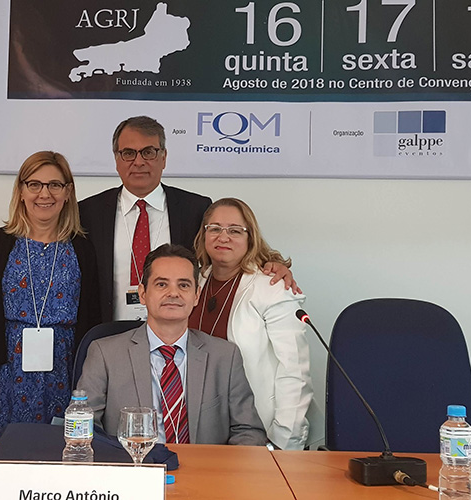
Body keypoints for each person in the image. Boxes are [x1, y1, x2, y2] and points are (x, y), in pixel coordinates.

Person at [79, 115, 298, 323]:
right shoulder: (88, 212)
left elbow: (227, 253)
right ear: (116, 159)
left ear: (164, 157)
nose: (138, 161)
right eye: (128, 153)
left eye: (148, 152)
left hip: (178, 333)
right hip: (107, 334)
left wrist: (268, 265)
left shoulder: (195, 208)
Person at [0, 151, 101, 439]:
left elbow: (94, 323)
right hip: (2, 380)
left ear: (68, 193)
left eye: (54, 185)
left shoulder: (84, 249)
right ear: (21, 191)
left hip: (65, 379)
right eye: (34, 184)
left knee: (62, 456)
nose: (44, 194)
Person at [77, 243, 267, 446]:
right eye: (161, 284)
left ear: (196, 295)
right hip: (133, 464)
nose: (173, 293)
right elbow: (83, 430)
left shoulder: (225, 356)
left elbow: (248, 431)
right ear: (143, 293)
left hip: (205, 466)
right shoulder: (105, 354)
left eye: (184, 285)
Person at [188, 198, 314, 450]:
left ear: (250, 238)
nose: (223, 237)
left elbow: (294, 372)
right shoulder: (193, 281)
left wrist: (283, 442)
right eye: (215, 228)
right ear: (203, 235)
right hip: (198, 429)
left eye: (235, 230)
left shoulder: (273, 288)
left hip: (257, 430)